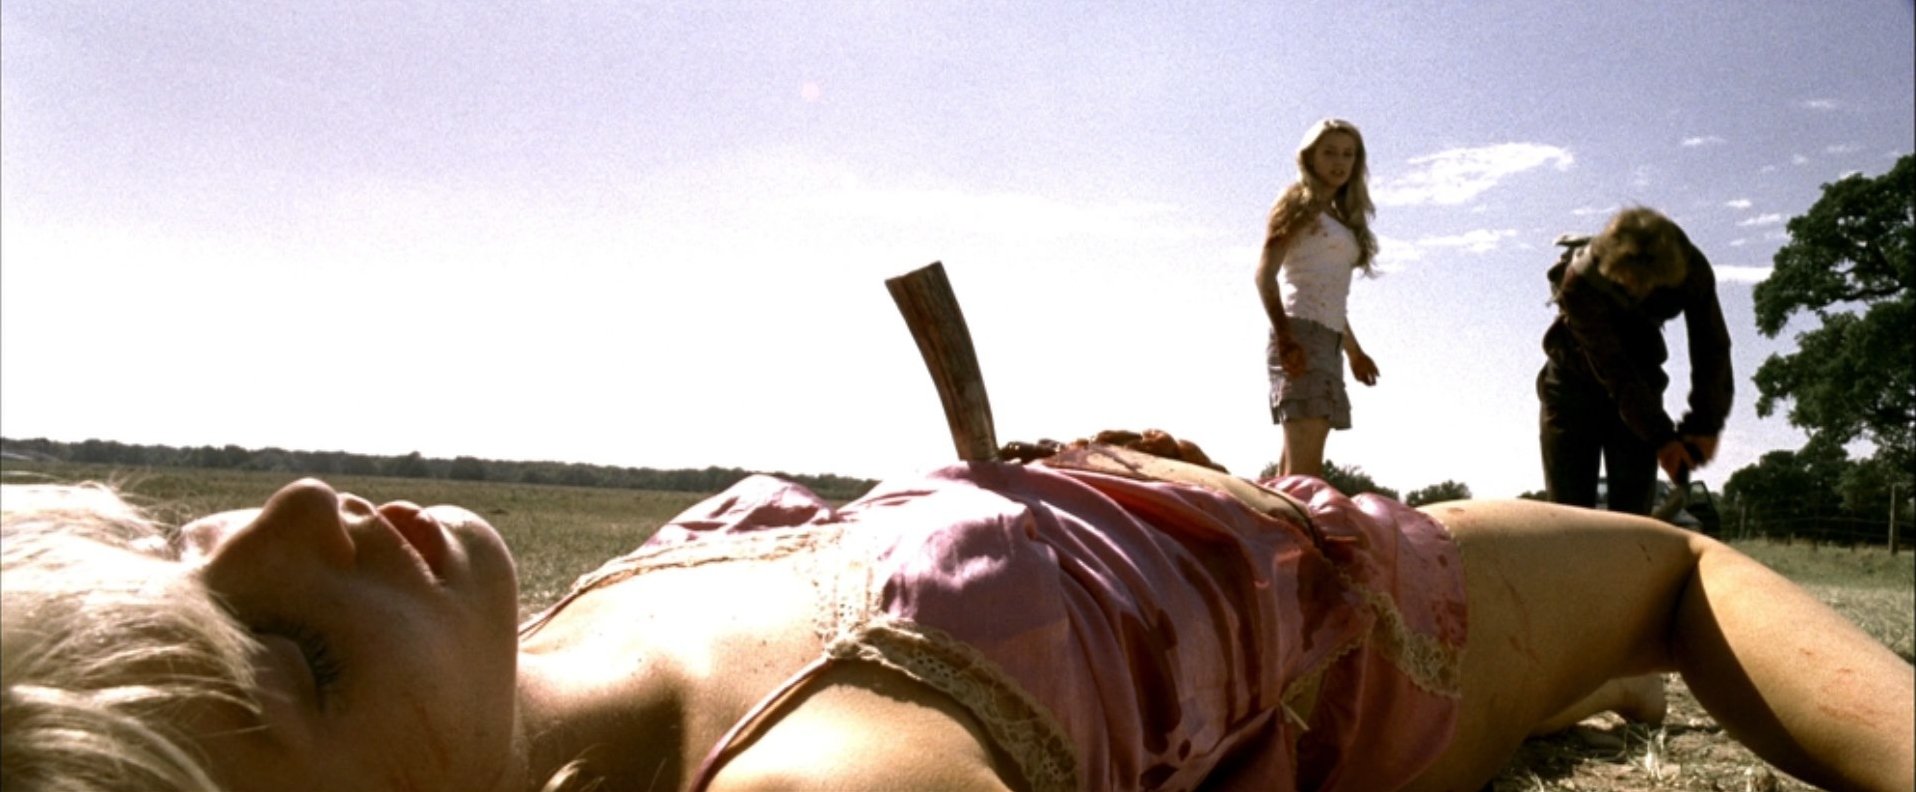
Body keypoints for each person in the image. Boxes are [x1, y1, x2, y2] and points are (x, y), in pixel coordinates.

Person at [5, 441, 1911, 792]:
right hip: (1361, 620)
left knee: (1625, 625)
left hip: (1224, 525)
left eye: (179, 552)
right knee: (1666, 568)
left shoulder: (542, 651)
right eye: (289, 658)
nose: (286, 516)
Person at [1538, 206, 1734, 515]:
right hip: (1573, 386)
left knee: (1632, 513)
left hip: (1643, 375)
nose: (1642, 292)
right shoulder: (1580, 282)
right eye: (1632, 283)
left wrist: (1705, 423)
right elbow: (1615, 370)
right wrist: (1663, 438)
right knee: (1570, 515)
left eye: (1653, 286)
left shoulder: (1693, 269)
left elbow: (1711, 346)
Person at [1254, 117, 1383, 478]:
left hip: (1327, 337)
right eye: (1329, 152)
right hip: (1300, 333)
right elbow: (1264, 275)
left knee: (1295, 467)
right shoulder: (1298, 202)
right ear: (1310, 157)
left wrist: (1354, 352)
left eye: (1348, 154)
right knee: (1306, 471)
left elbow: (1330, 295)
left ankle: (1280, 514)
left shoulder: (1339, 217)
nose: (1339, 162)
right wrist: (1285, 337)